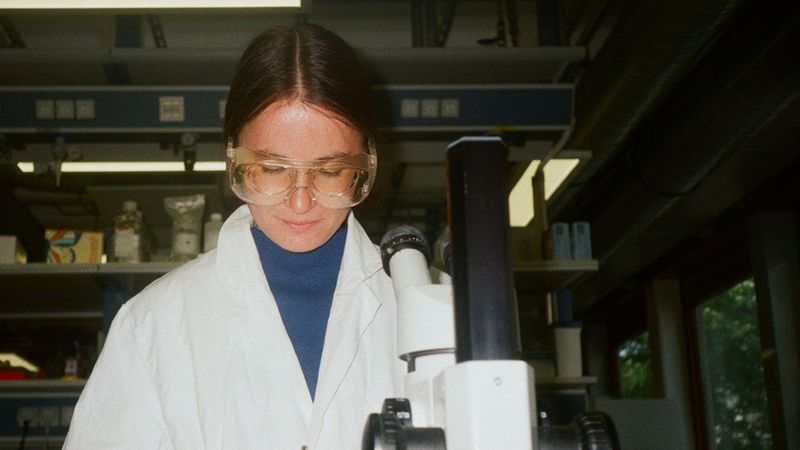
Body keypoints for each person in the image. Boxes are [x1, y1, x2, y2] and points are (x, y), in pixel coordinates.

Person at [64, 23, 405, 449]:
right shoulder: (153, 324)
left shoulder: (433, 305)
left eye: (331, 171)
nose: (300, 203)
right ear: (233, 158)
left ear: (367, 163)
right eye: (273, 169)